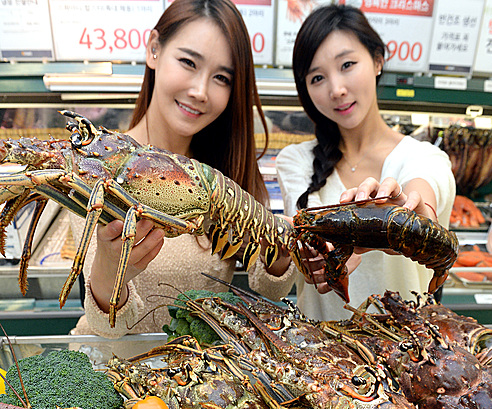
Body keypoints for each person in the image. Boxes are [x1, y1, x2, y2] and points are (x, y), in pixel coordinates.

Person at [70, 0, 294, 339]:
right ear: (154, 49)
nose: (200, 91)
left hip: (200, 364)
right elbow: (105, 327)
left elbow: (270, 286)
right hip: (113, 361)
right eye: (188, 62)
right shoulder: (100, 161)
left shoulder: (225, 168)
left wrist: (284, 244)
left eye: (221, 78)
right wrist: (108, 273)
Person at [276, 4, 456, 322]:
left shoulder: (424, 157)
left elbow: (422, 190)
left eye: (347, 64)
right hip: (316, 347)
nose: (337, 89)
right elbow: (297, 242)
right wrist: (307, 259)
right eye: (317, 77)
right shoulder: (295, 160)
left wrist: (414, 212)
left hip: (404, 348)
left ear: (377, 60)